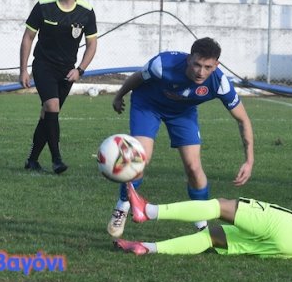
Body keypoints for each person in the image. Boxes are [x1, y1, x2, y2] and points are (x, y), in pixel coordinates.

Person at [106, 37, 255, 238]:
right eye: (197, 64)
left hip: (182, 113)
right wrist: (119, 95)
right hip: (148, 105)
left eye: (208, 67)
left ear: (216, 65)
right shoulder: (163, 64)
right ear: (189, 59)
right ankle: (122, 205)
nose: (201, 72)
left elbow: (243, 120)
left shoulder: (220, 83)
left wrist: (249, 160)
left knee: (194, 167)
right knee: (141, 158)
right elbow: (137, 78)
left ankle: (201, 223)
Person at [114, 178, 292, 259]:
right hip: (289, 250)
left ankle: (149, 211)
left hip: (290, 228)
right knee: (213, 237)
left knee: (222, 206)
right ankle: (147, 248)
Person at [19, 0, 97, 174]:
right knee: (52, 107)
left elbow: (92, 45)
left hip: (67, 71)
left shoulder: (86, 11)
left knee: (48, 115)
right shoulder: (44, 6)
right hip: (43, 66)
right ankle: (57, 160)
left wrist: (80, 70)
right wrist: (23, 70)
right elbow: (28, 37)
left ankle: (32, 160)